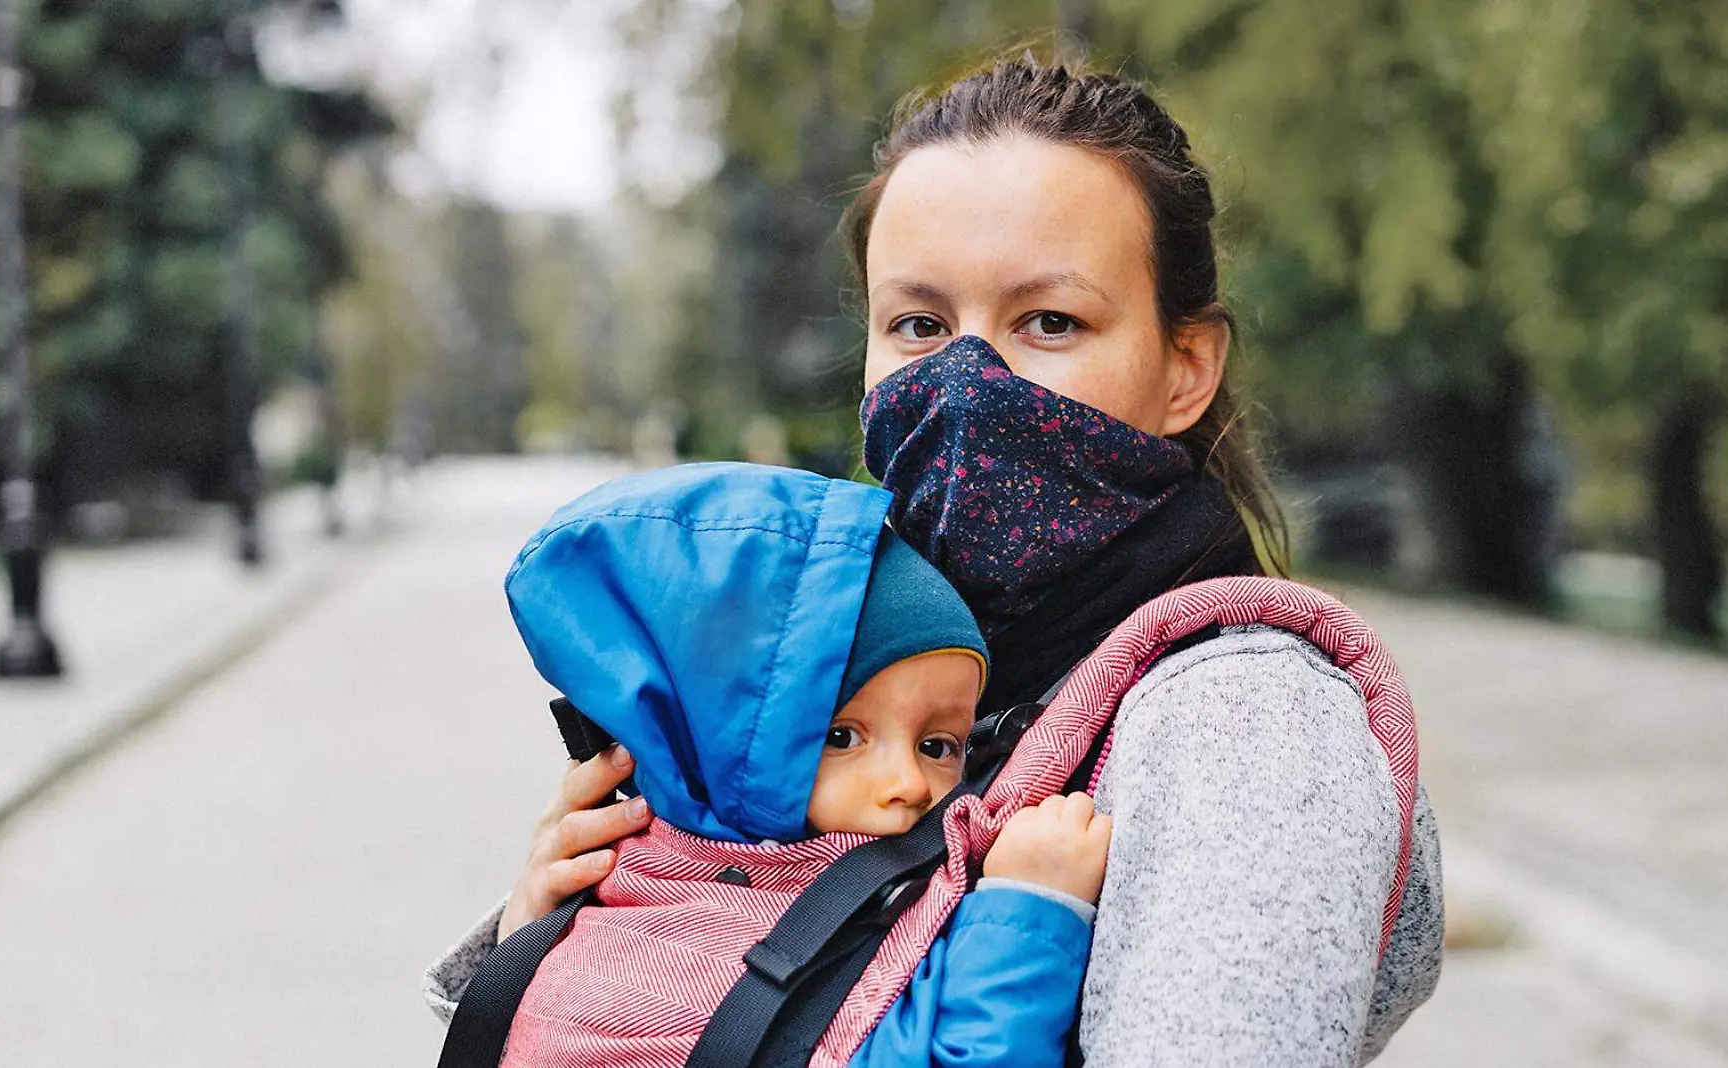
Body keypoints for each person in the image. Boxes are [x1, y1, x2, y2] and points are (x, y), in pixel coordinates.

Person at [428, 55, 1444, 1066]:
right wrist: (563, 934)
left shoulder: (1242, 723)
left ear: (1184, 370)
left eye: (1049, 321)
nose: (965, 380)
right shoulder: (851, 643)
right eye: (918, 324)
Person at [492, 463, 1108, 1067]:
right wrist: (1030, 910)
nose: (909, 784)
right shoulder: (635, 961)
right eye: (841, 736)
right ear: (712, 747)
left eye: (938, 746)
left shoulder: (883, 875)